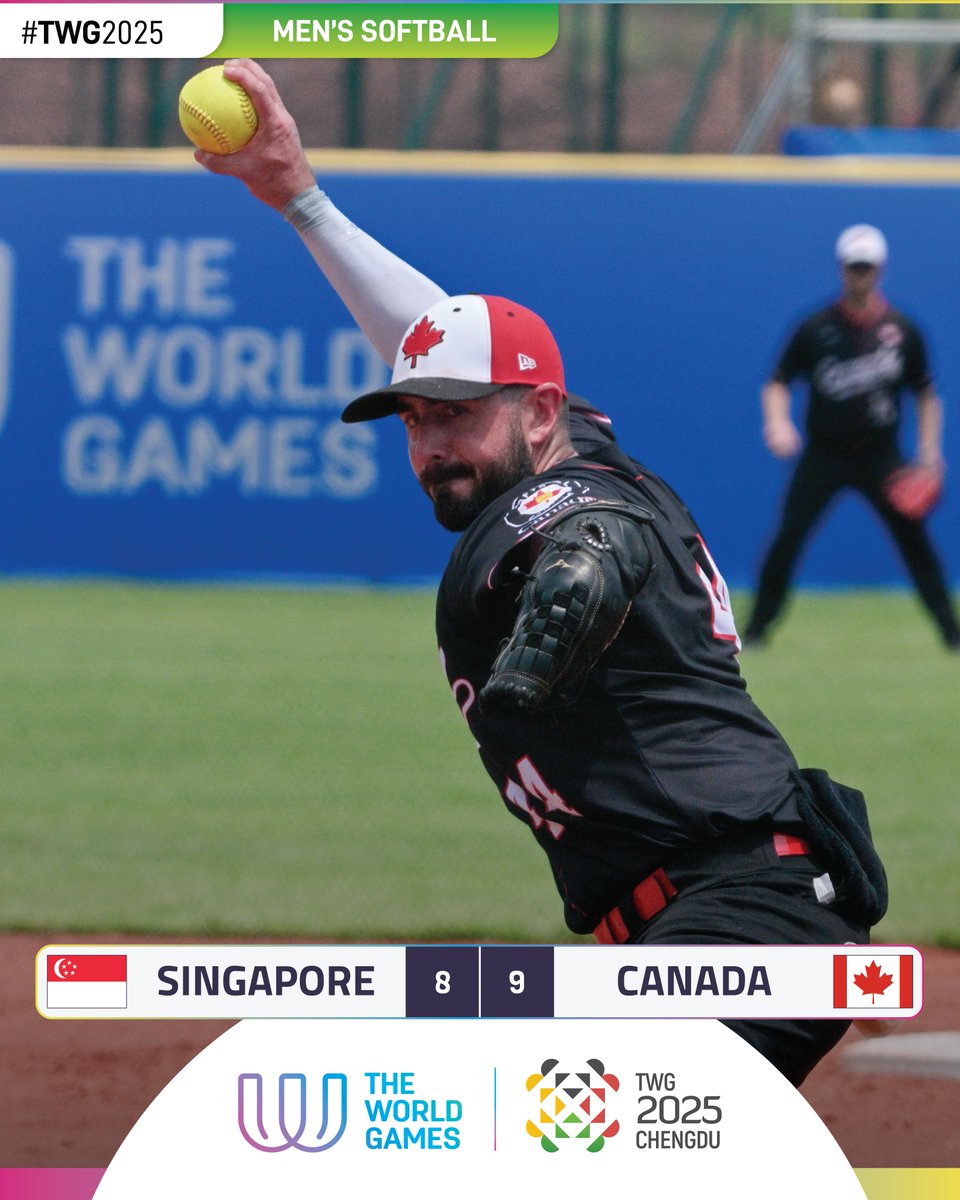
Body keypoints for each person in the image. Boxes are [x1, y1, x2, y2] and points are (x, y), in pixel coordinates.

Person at [195, 61, 890, 1085]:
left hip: (747, 923)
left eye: (458, 416)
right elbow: (428, 334)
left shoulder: (584, 501)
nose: (431, 442)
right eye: (417, 420)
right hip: (693, 929)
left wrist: (559, 617)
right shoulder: (577, 444)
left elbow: (588, 546)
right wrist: (300, 198)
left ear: (538, 414)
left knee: (546, 1125)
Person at [744, 223, 960, 649]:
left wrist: (930, 451)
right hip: (824, 455)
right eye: (853, 267)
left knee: (914, 542)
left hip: (882, 457)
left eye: (867, 267)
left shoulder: (902, 330)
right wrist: (778, 422)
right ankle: (756, 630)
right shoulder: (816, 328)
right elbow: (777, 381)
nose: (859, 275)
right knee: (788, 538)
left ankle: (951, 632)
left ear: (880, 270)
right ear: (842, 269)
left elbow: (925, 394)